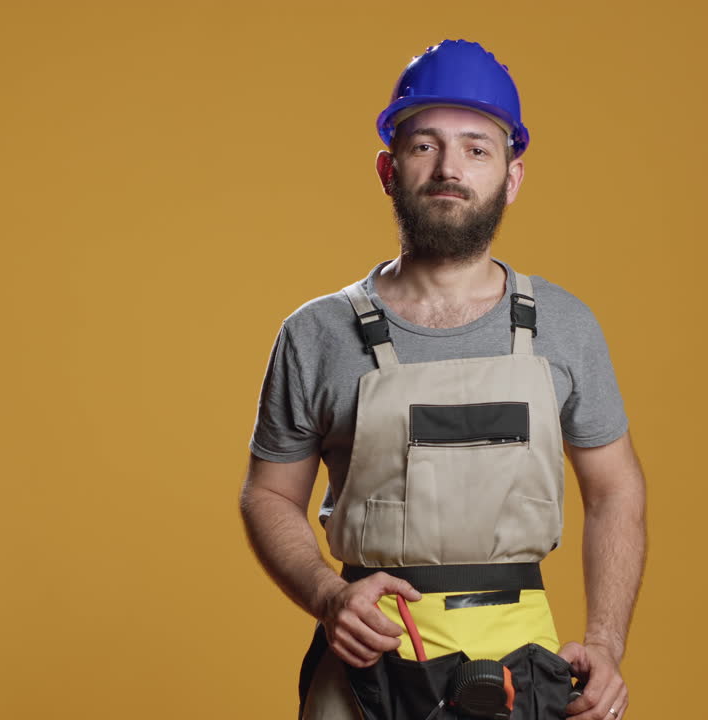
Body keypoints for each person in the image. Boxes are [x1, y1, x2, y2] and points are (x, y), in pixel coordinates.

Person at [239, 40, 646, 720]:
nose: (449, 168)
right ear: (388, 169)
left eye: (477, 149)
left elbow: (615, 490)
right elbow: (268, 495)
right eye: (424, 145)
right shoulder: (317, 333)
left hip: (521, 672)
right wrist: (328, 596)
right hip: (367, 668)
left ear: (511, 176)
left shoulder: (565, 326)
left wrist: (605, 643)